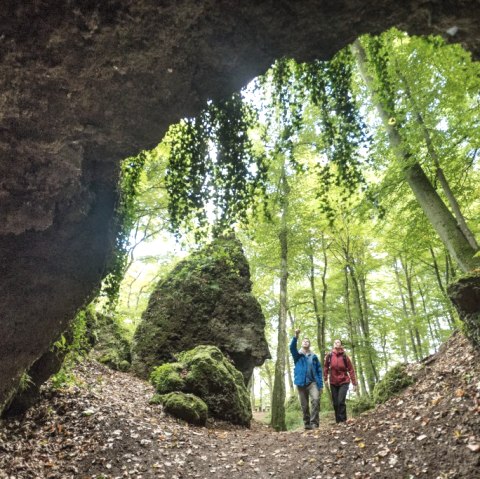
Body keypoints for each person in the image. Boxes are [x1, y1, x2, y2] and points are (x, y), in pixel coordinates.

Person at [289, 328, 323, 430]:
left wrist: (320, 386)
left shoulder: (314, 356)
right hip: (301, 383)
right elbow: (291, 347)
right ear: (301, 343)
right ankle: (307, 423)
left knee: (316, 400)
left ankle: (314, 423)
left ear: (309, 344)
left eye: (307, 341)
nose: (305, 342)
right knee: (304, 405)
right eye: (304, 341)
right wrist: (296, 335)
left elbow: (319, 371)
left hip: (312, 383)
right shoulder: (297, 355)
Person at [323, 339, 357, 423]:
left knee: (341, 401)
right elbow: (326, 367)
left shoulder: (345, 356)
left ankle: (343, 421)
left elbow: (351, 370)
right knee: (335, 403)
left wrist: (354, 383)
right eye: (335, 342)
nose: (337, 343)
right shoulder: (330, 355)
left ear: (341, 345)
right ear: (333, 345)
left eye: (338, 342)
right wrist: (325, 378)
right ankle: (338, 421)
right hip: (333, 382)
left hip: (344, 381)